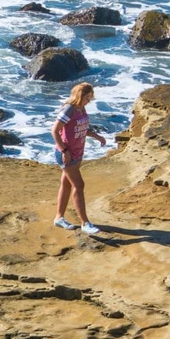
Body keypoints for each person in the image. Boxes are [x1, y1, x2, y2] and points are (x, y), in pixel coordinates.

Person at [52, 82, 109, 235]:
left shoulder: (81, 108)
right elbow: (55, 131)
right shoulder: (69, 109)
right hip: (67, 153)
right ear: (80, 95)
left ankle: (59, 218)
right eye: (87, 97)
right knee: (79, 185)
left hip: (77, 152)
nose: (89, 100)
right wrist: (64, 151)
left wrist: (95, 135)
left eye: (91, 97)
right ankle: (85, 223)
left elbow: (81, 127)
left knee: (66, 184)